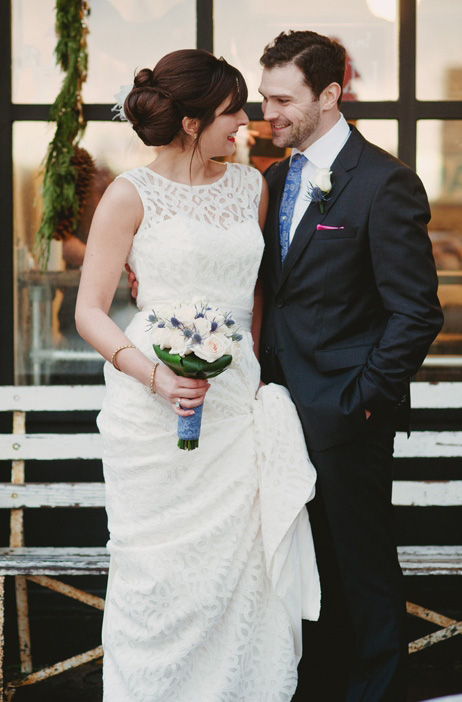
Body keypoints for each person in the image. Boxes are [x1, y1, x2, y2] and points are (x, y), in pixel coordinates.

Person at [75, 49, 320, 701]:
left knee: (236, 572)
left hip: (235, 402)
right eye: (232, 110)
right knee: (161, 578)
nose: (245, 121)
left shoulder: (251, 187)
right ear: (190, 122)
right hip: (151, 408)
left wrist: (252, 375)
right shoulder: (128, 194)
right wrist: (151, 376)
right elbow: (90, 312)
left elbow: (256, 294)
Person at [257, 31, 444, 701]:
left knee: (360, 571)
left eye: (282, 99)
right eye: (262, 97)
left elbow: (415, 311)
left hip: (345, 415)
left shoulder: (383, 182)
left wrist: (361, 397)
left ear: (330, 94)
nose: (267, 112)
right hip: (274, 415)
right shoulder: (274, 177)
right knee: (304, 570)